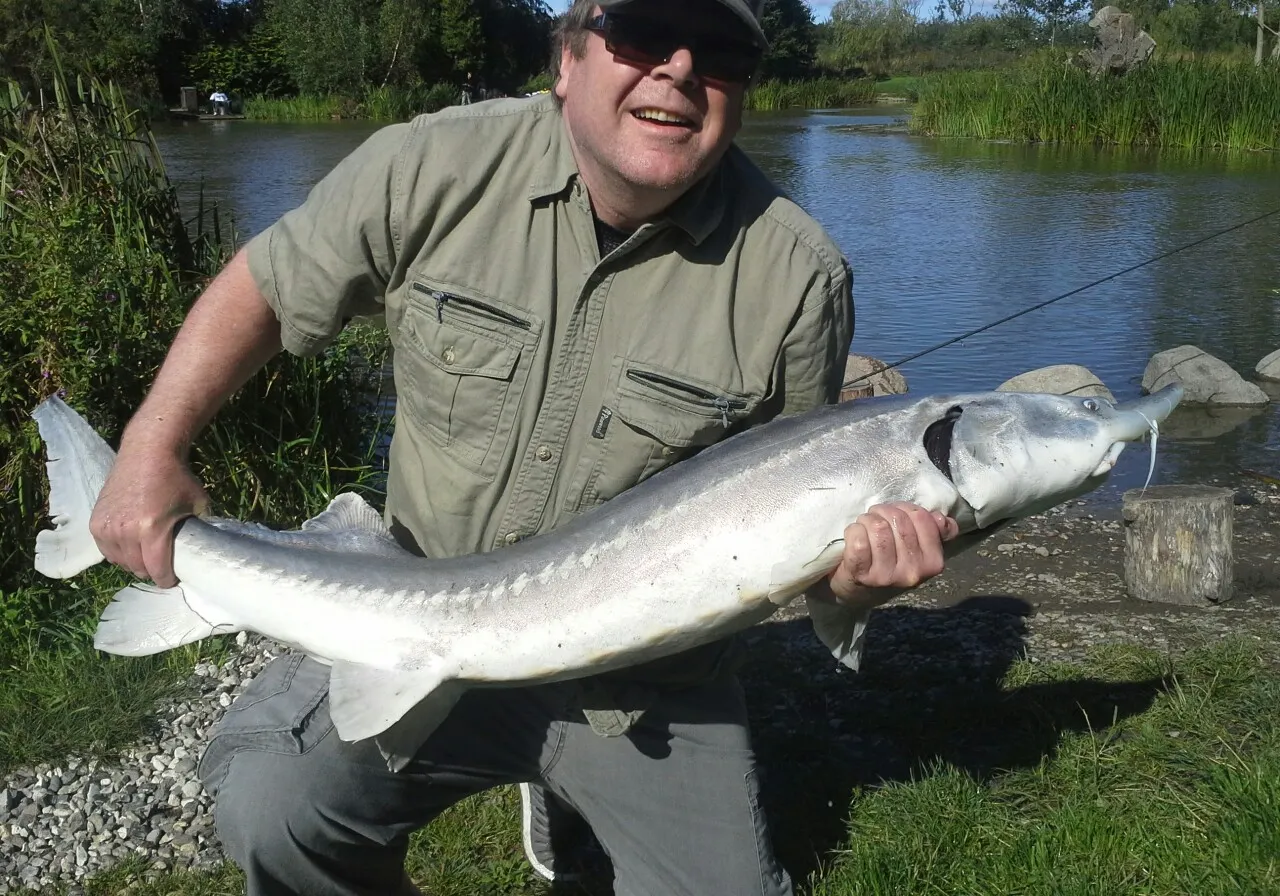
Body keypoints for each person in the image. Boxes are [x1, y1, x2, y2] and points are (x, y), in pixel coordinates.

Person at [89, 0, 959, 892]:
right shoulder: (431, 162)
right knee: (272, 809)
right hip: (410, 610)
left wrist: (851, 581)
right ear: (568, 62)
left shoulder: (799, 275)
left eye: (724, 51)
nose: (680, 69)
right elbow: (263, 289)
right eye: (644, 34)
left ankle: (568, 787)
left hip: (647, 685)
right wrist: (149, 446)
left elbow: (801, 528)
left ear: (742, 91)